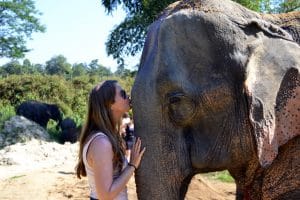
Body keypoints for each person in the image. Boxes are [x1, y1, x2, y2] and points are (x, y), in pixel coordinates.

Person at [76, 80, 145, 200]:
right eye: (123, 94)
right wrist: (132, 165)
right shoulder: (101, 143)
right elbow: (105, 195)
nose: (128, 96)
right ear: (110, 104)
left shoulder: (106, 137)